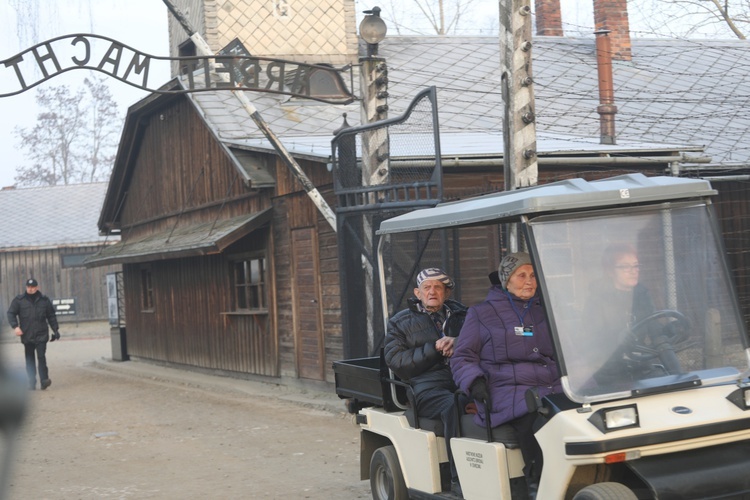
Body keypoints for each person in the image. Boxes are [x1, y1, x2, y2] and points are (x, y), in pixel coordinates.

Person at [451, 252, 561, 499]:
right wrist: (474, 381)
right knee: (538, 424)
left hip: (552, 386)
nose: (529, 281)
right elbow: (463, 356)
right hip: (508, 390)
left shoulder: (545, 310)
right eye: (521, 275)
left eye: (533, 276)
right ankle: (537, 486)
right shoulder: (482, 313)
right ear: (506, 280)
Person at [384, 268, 468, 497]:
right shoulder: (400, 322)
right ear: (417, 292)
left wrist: (458, 341)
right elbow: (396, 361)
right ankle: (458, 477)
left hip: (464, 379)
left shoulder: (462, 314)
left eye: (438, 287)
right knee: (452, 404)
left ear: (446, 293)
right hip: (425, 388)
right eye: (427, 287)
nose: (433, 292)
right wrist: (434, 349)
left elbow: (482, 340)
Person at [7, 278, 61, 390]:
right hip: (27, 334)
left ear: (37, 287)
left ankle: (44, 380)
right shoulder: (19, 301)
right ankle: (31, 382)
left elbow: (51, 316)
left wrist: (55, 330)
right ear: (26, 287)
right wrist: (15, 327)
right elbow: (11, 313)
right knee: (30, 359)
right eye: (29, 287)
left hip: (41, 333)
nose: (30, 289)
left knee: (41, 357)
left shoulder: (44, 301)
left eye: (33, 287)